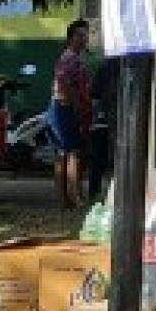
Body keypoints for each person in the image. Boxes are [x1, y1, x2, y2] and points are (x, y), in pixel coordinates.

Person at [49, 19, 92, 210]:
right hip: (65, 109)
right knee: (71, 153)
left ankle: (66, 199)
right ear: (71, 38)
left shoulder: (75, 58)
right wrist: (77, 107)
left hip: (65, 108)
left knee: (65, 153)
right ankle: (73, 198)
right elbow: (66, 85)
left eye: (85, 35)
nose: (84, 39)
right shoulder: (70, 59)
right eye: (79, 35)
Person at [86, 51, 121, 204]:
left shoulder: (106, 66)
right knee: (105, 156)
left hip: (104, 117)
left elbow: (94, 94)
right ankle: (103, 191)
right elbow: (94, 94)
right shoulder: (114, 66)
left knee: (99, 157)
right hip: (110, 116)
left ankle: (95, 191)